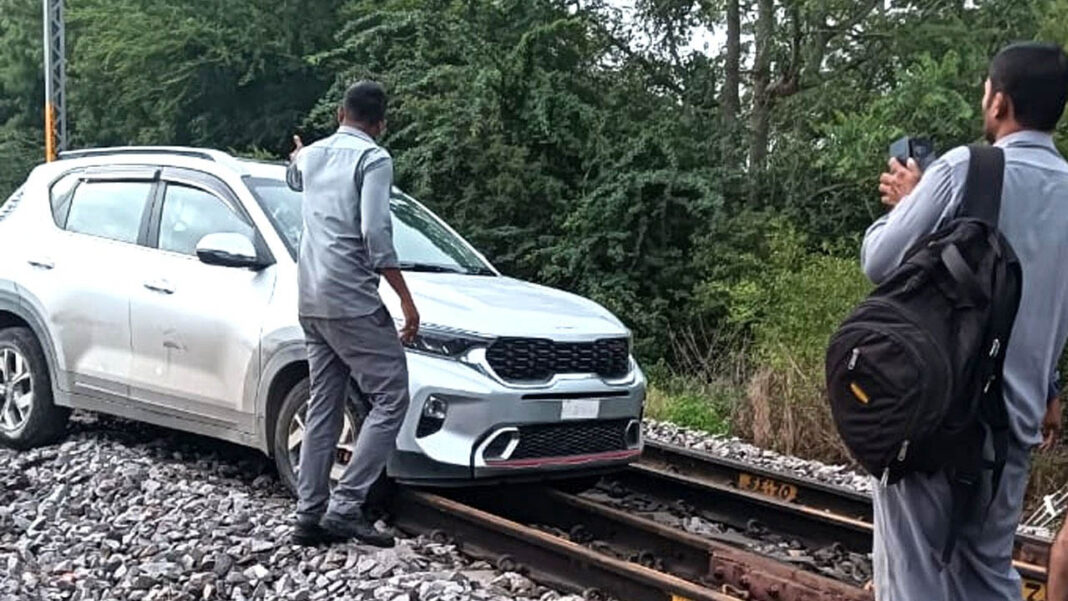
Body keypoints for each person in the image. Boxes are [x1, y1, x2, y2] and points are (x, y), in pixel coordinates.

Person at [862, 42, 1068, 600]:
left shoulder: (966, 168)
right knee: (987, 575)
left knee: (913, 579)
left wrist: (908, 205)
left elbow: (880, 261)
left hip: (936, 416)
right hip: (1013, 429)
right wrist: (1050, 387)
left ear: (999, 102)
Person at [285, 81, 420, 548]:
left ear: (340, 114)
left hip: (310, 298)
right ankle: (344, 508)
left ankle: (309, 515)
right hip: (351, 299)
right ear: (381, 124)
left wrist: (298, 155)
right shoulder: (374, 160)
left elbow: (295, 175)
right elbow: (375, 233)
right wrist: (406, 300)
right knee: (393, 397)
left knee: (324, 402)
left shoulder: (311, 156)